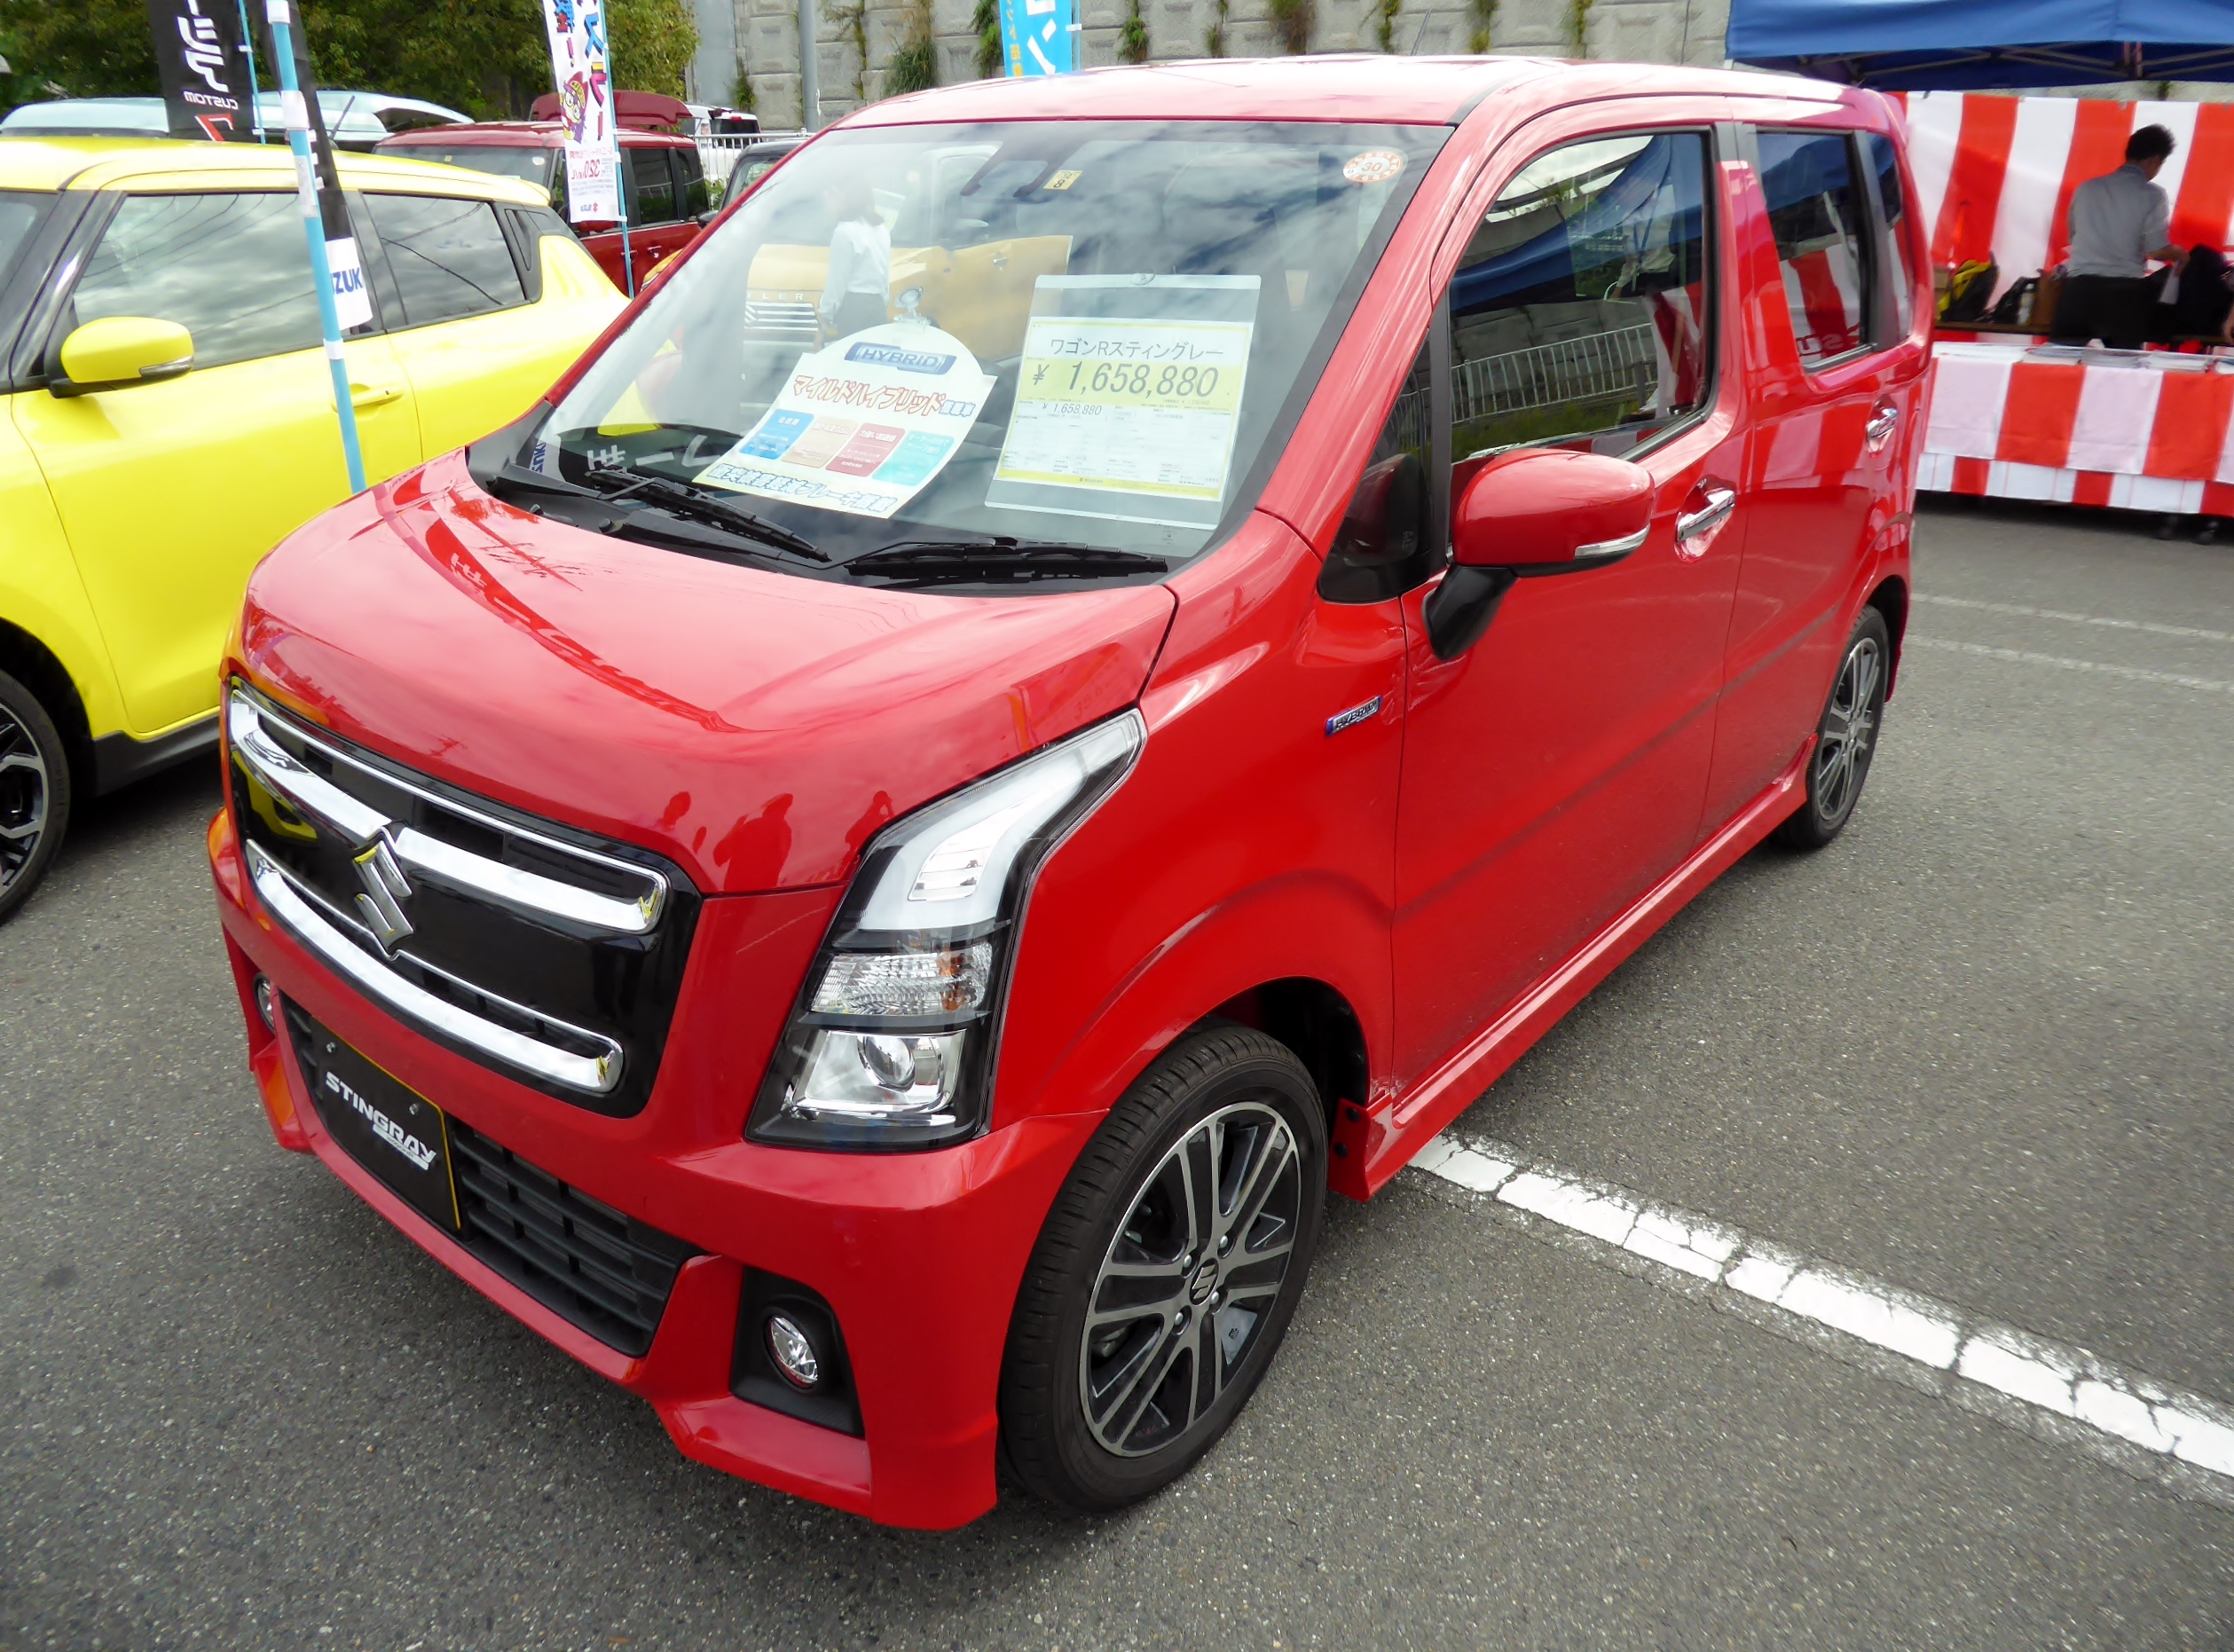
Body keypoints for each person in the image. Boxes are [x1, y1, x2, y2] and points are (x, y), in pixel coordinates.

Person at [2052, 123, 2185, 350]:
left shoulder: (2086, 189)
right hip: (2124, 294)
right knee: (2124, 372)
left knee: (2059, 364)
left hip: (2079, 290)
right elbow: (2156, 249)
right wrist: (2180, 254)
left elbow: (2073, 237)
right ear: (2154, 160)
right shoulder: (2152, 194)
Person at [819, 178, 891, 339]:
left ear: (845, 196)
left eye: (831, 195)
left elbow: (837, 282)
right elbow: (885, 278)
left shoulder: (844, 232)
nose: (827, 200)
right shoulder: (881, 230)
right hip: (877, 307)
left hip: (853, 309)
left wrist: (825, 314)